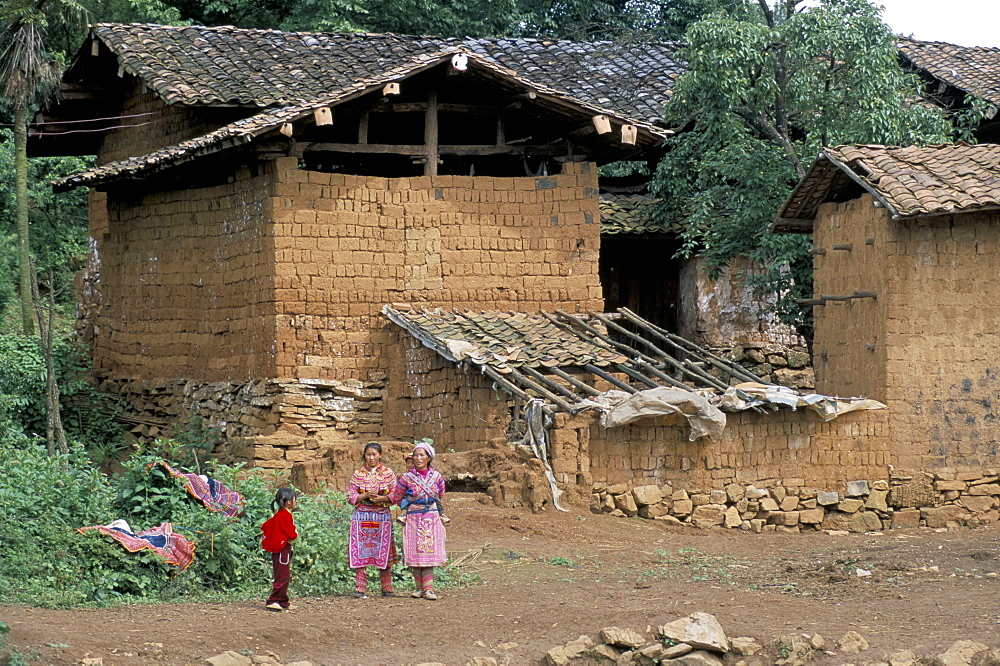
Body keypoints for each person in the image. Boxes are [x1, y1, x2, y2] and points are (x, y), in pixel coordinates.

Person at [388, 440, 447, 600]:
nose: (418, 458)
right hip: (413, 518)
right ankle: (418, 588)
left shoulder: (436, 477)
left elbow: (440, 493)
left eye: (422, 455)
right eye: (416, 455)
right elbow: (397, 496)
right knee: (415, 552)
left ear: (429, 457)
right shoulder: (406, 478)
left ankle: (428, 589)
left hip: (431, 516)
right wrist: (408, 507)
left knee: (429, 552)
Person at [346, 441, 399, 599]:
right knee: (361, 550)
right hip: (362, 516)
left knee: (384, 550)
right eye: (368, 454)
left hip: (382, 515)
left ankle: (387, 587)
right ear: (364, 456)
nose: (371, 457)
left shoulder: (388, 473)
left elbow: (395, 494)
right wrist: (366, 496)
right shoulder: (358, 474)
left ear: (380, 455)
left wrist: (382, 498)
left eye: (374, 454)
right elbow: (350, 496)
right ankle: (360, 587)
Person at [261, 487, 298, 611]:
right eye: (294, 499)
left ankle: (283, 601)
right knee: (282, 575)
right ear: (288, 502)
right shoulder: (285, 515)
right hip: (282, 549)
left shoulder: (280, 514)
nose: (295, 502)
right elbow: (292, 535)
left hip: (280, 549)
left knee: (283, 574)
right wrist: (295, 534)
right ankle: (273, 600)